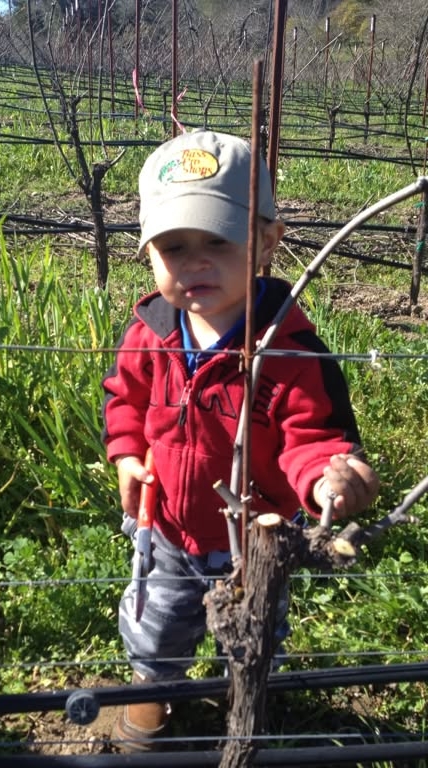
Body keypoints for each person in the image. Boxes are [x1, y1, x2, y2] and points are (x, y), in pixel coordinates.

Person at [101, 128, 379, 751]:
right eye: (174, 246)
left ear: (266, 241)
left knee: (255, 631)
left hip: (257, 535)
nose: (196, 263)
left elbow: (312, 431)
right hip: (168, 524)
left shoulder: (289, 347)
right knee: (156, 622)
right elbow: (124, 398)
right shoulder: (149, 332)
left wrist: (324, 475)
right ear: (148, 252)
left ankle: (244, 699)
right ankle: (153, 691)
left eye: (218, 242)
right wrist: (126, 453)